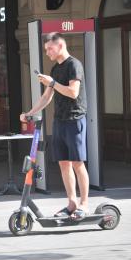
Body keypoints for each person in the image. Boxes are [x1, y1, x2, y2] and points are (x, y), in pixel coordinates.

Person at [20, 32, 89, 220]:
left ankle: (84, 204)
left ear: (60, 46)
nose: (47, 52)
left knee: (77, 163)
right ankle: (71, 203)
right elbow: (47, 97)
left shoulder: (74, 64)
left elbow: (73, 92)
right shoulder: (55, 69)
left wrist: (52, 82)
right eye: (46, 49)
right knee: (64, 164)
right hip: (59, 120)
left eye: (49, 48)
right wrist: (30, 113)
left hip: (75, 119)